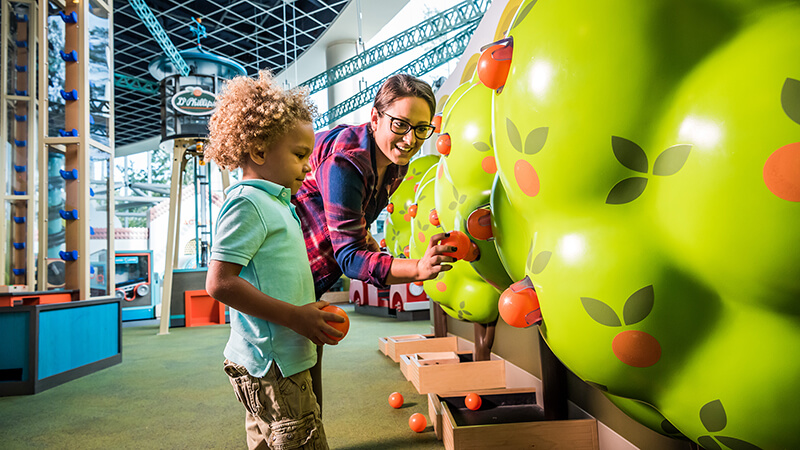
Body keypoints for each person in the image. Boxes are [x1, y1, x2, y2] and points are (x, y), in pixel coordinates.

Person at [292, 73, 458, 409]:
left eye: (421, 128)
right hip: (284, 272)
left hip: (310, 275)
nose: (411, 139)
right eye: (400, 124)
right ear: (374, 117)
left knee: (306, 381)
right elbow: (351, 257)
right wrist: (416, 268)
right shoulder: (347, 161)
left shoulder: (394, 165)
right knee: (286, 389)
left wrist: (380, 253)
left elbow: (358, 227)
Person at [204, 70, 343, 450]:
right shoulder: (249, 201)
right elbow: (219, 282)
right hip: (274, 365)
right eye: (299, 155)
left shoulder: (277, 203)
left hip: (278, 358)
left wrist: (305, 308)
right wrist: (295, 317)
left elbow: (272, 274)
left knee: (265, 439)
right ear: (260, 151)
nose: (306, 167)